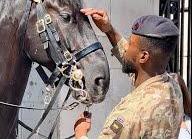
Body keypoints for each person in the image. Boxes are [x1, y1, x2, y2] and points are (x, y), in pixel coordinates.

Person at [73, 8, 184, 138]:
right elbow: (136, 63)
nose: (127, 49)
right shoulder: (172, 88)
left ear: (143, 57)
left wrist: (80, 133)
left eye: (131, 44)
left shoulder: (131, 113)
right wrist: (109, 30)